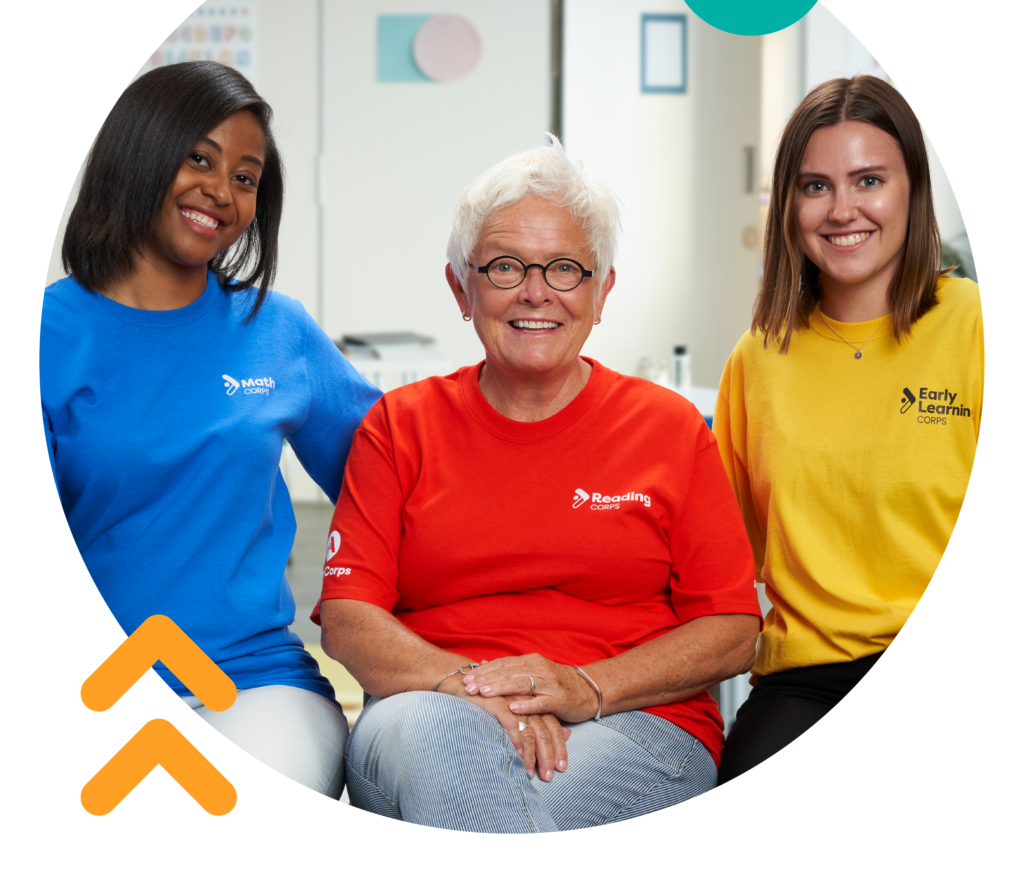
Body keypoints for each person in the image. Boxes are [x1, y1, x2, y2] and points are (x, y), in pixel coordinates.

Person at [313, 137, 763, 832]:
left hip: (633, 722)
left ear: (601, 289)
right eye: (503, 267)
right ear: (460, 287)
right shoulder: (399, 426)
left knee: (493, 806)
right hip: (428, 712)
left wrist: (588, 686)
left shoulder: (668, 429)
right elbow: (348, 621)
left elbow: (732, 630)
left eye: (564, 269)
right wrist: (471, 689)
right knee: (441, 751)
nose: (535, 292)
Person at [40, 61, 382, 799]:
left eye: (246, 177)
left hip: (255, 684)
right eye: (199, 158)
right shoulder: (50, 337)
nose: (221, 191)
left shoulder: (276, 330)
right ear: (139, 153)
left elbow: (395, 473)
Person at [713, 76, 983, 784]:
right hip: (811, 678)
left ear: (912, 190)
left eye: (869, 180)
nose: (842, 211)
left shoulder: (973, 327)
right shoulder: (758, 358)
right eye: (814, 187)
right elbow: (722, 562)